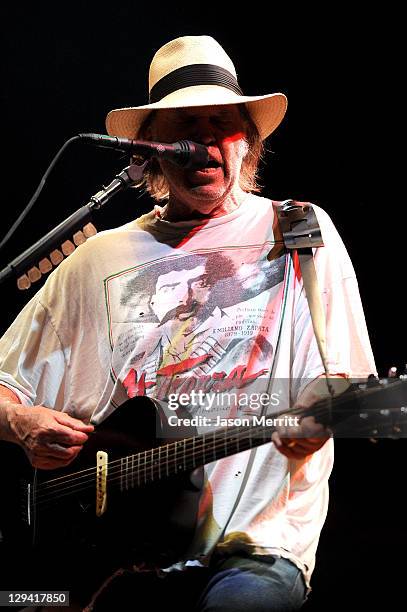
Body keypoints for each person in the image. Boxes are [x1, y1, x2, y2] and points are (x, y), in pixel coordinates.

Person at [0, 35, 376, 611]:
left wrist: (319, 422)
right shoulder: (95, 260)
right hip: (110, 555)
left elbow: (352, 389)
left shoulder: (299, 231)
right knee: (23, 603)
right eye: (184, 127)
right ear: (149, 148)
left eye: (221, 124)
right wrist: (23, 421)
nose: (203, 141)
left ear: (247, 143)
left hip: (257, 550)